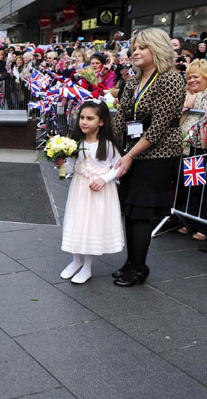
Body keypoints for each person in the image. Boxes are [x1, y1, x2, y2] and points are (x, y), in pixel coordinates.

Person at [112, 28, 186, 287]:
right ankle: (131, 262)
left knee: (141, 211)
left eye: (142, 47)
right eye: (134, 47)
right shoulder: (132, 81)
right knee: (131, 210)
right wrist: (104, 143)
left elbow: (159, 127)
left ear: (157, 49)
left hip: (159, 153)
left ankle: (139, 267)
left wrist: (129, 155)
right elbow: (121, 116)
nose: (135, 52)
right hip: (135, 151)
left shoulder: (171, 79)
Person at [56, 101, 124, 284]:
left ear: (101, 122)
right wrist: (61, 165)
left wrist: (104, 179)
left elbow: (118, 167)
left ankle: (87, 267)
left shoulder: (108, 145)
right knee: (77, 223)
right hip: (79, 189)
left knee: (92, 225)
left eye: (90, 118)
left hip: (99, 192)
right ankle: (75, 261)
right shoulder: (74, 143)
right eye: (82, 118)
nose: (84, 122)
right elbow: (70, 169)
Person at [177, 59, 207, 240]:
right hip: (190, 147)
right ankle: (189, 222)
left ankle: (202, 225)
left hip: (202, 147)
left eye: (195, 76)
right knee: (193, 185)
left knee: (203, 188)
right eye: (188, 77)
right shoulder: (189, 94)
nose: (191, 80)